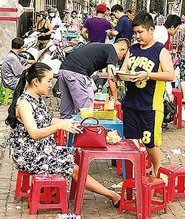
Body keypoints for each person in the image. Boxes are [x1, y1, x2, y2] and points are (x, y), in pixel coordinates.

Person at [6, 63, 121, 207]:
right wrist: (59, 126)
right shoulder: (24, 103)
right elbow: (34, 133)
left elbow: (46, 120)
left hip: (41, 150)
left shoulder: (37, 98)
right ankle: (113, 195)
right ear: (35, 82)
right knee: (76, 169)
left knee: (78, 155)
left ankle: (82, 192)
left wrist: (69, 122)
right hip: (29, 155)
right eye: (48, 81)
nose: (50, 85)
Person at [121, 11, 175, 176]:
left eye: (140, 32)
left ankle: (158, 171)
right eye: (135, 33)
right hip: (131, 103)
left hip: (150, 106)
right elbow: (124, 70)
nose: (137, 36)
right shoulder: (133, 50)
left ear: (151, 30)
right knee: (131, 142)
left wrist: (148, 75)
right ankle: (136, 174)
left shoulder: (160, 50)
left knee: (150, 143)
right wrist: (119, 75)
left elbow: (170, 75)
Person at [58, 38, 131, 119]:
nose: (121, 58)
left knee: (66, 110)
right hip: (77, 73)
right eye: (123, 55)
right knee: (85, 111)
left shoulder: (101, 46)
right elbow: (111, 76)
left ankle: (64, 129)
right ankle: (86, 129)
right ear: (122, 49)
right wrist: (114, 97)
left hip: (63, 70)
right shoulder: (112, 50)